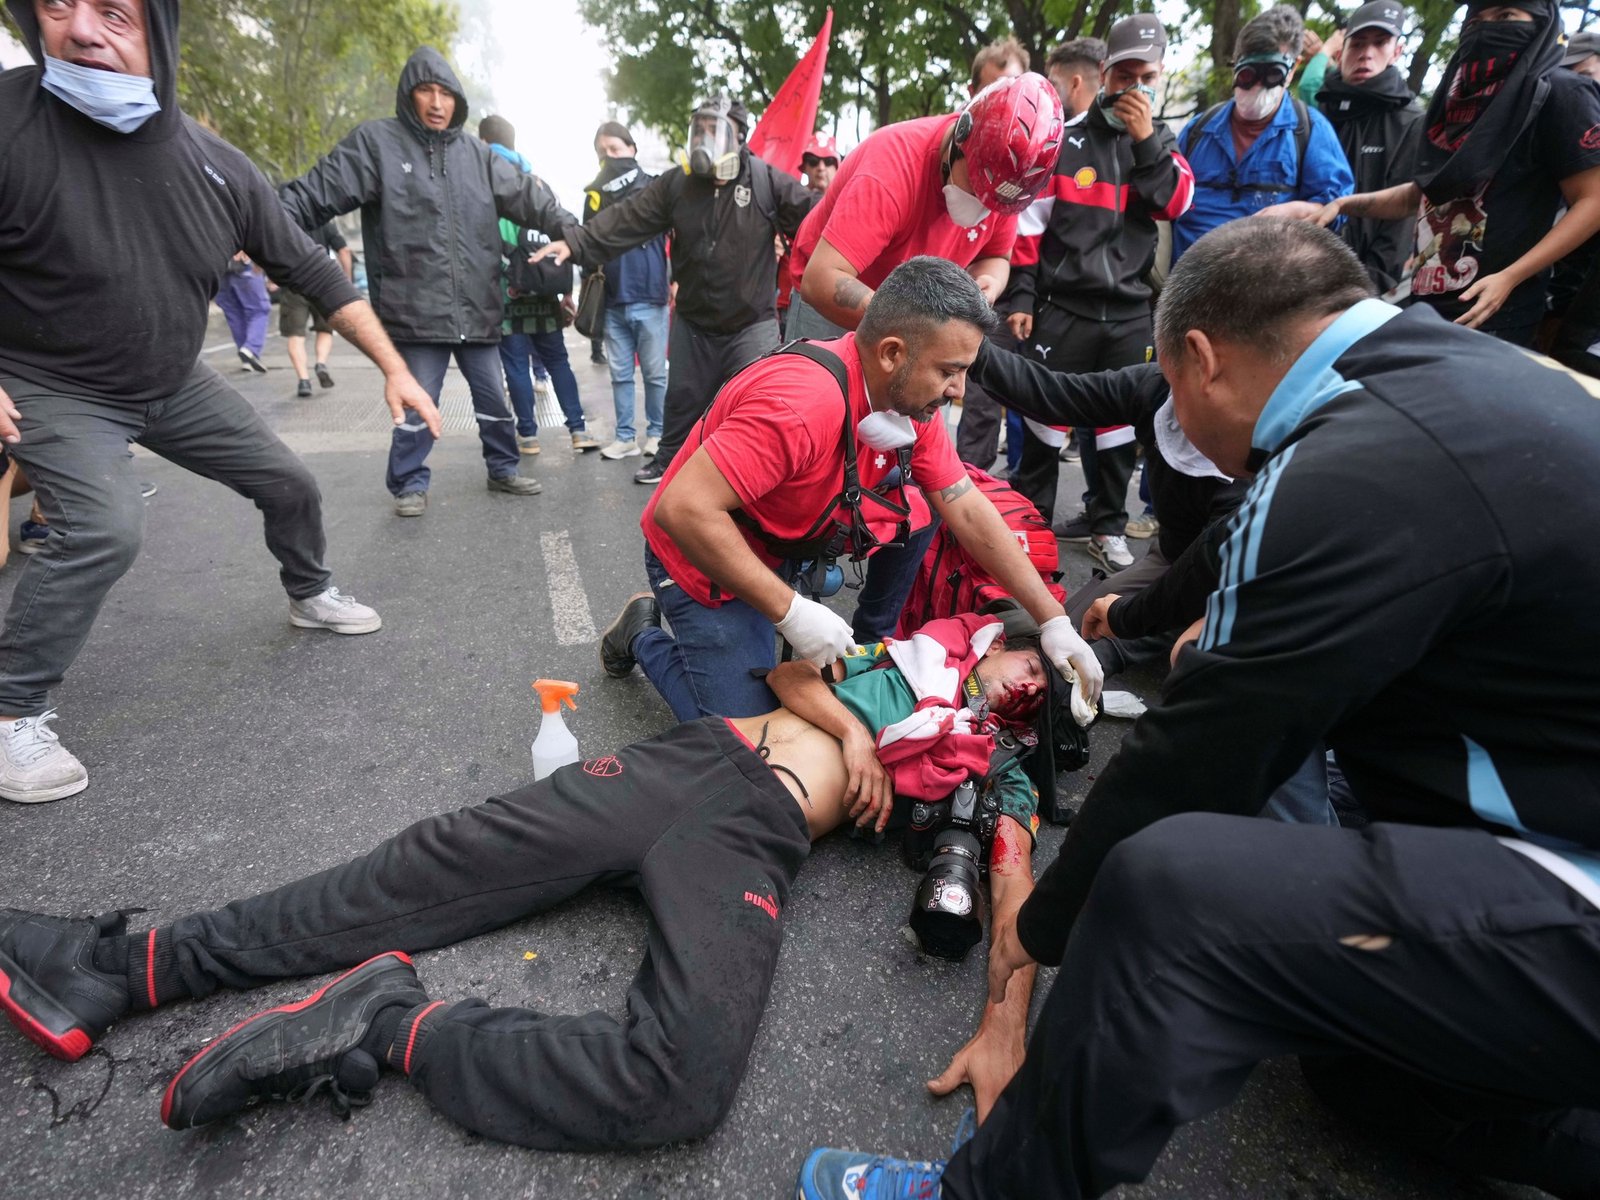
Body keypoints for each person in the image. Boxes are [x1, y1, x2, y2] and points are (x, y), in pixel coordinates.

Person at [800, 218, 1600, 1200]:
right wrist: (1117, 614)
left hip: (1573, 875)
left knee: (1171, 891)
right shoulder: (1444, 381)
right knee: (1359, 1072)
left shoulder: (1354, 463)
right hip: (1547, 802)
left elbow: (1205, 748)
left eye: (1172, 394)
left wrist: (1044, 922)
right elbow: (1237, 551)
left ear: (1199, 358)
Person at [0, 614, 1068, 1150]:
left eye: (1046, 696)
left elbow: (1012, 885)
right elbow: (788, 672)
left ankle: (386, 1024)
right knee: (422, 867)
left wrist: (1006, 1016)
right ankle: (121, 966)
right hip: (698, 763)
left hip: (753, 841)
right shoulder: (903, 659)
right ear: (994, 648)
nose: (1032, 692)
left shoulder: (997, 766)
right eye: (1031, 671)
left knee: (680, 1087)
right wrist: (860, 734)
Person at [0, 0, 441, 805]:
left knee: (290, 483)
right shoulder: (8, 123)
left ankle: (309, 593)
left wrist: (394, 366)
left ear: (159, 29)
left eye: (112, 11)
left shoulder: (216, 164)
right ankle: (10, 709)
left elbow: (313, 270)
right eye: (59, 5)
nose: (84, 29)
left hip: (172, 380)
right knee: (104, 525)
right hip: (54, 383)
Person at [601, 256, 1103, 729]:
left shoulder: (906, 399)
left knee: (920, 509)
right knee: (744, 734)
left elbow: (966, 506)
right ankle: (641, 631)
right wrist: (791, 611)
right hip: (702, 555)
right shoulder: (802, 403)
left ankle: (853, 628)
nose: (959, 390)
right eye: (949, 371)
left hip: (785, 539)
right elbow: (682, 510)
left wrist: (1054, 621)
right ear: (891, 354)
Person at [279, 47, 573, 516]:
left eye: (446, 93)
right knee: (415, 407)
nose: (437, 103)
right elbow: (313, 194)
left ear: (457, 100)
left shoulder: (479, 156)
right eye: (425, 91)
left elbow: (531, 199)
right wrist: (258, 222)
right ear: (408, 95)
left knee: (494, 400)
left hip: (477, 308)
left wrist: (575, 233)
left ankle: (503, 468)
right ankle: (409, 483)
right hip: (413, 312)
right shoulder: (376, 144)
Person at [531, 97, 815, 485]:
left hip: (752, 324)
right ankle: (668, 462)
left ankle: (752, 479)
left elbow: (821, 221)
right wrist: (576, 243)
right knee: (681, 401)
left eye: (714, 132)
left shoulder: (767, 181)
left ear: (739, 137)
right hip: (695, 323)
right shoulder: (678, 184)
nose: (703, 140)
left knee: (754, 406)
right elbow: (628, 218)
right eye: (699, 130)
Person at [1006, 16, 1194, 574]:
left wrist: (1146, 142)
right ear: (1104, 73)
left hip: (1132, 313)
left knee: (1117, 429)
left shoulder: (1162, 143)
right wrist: (1019, 299)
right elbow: (1029, 229)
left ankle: (1107, 524)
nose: (1133, 88)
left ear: (1160, 80)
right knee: (1042, 418)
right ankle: (1031, 524)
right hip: (1063, 308)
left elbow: (1176, 205)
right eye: (1123, 74)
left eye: (1146, 76)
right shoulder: (1065, 141)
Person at [1314, 0, 1600, 347]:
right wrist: (1345, 204)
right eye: (1476, 20)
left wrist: (1510, 277)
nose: (1487, 28)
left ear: (1541, 23)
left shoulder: (1560, 92)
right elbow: (1428, 194)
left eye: (1506, 16)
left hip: (1494, 319)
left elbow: (1593, 199)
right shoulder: (1458, 100)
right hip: (1425, 309)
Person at [785, 72, 1064, 342]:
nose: (983, 206)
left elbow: (998, 256)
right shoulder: (890, 170)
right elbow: (820, 280)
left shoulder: (1006, 185)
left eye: (995, 204)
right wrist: (914, 324)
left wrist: (989, 281)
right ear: (961, 137)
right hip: (830, 303)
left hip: (910, 317)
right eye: (976, 188)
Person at [1171, 5, 1353, 263]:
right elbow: (1165, 198)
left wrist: (1299, 211)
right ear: (1235, 66)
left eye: (1272, 74)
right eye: (1247, 74)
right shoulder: (1199, 130)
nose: (1257, 86)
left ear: (1291, 71)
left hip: (1267, 285)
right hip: (1189, 282)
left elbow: (1337, 207)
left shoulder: (1310, 131)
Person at [478, 114, 599, 457]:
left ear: (484, 144)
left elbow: (486, 246)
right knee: (557, 360)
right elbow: (560, 236)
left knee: (516, 364)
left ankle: (528, 436)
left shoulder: (488, 183)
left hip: (507, 294)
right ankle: (577, 430)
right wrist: (567, 294)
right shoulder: (538, 184)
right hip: (546, 293)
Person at [1306, 1, 1424, 291]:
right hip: (1302, 272)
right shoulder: (1316, 112)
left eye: (1380, 43)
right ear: (1341, 51)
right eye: (1357, 44)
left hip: (1363, 285)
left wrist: (1369, 288)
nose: (1366, 54)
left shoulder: (1411, 121)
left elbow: (1402, 218)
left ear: (1397, 51)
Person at [952, 39, 1029, 473]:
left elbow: (1003, 251)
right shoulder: (944, 151)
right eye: (996, 90)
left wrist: (1001, 286)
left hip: (992, 301)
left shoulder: (1036, 154)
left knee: (983, 397)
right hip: (935, 296)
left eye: (1016, 87)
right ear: (972, 94)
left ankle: (968, 483)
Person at [584, 120, 670, 461]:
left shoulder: (655, 188)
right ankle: (624, 437)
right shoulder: (594, 195)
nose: (610, 157)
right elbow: (587, 244)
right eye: (603, 152)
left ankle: (657, 433)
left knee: (654, 374)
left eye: (616, 149)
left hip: (650, 296)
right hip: (612, 299)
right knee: (620, 375)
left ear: (632, 149)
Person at [276, 222, 353, 397]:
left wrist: (271, 276)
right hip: (322, 282)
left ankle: (303, 380)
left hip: (293, 283)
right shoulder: (326, 223)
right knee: (325, 329)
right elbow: (344, 251)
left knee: (296, 336)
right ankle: (321, 363)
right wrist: (347, 279)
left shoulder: (288, 219)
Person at [215, 252, 272, 374]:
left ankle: (246, 357)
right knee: (259, 310)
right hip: (244, 265)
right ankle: (251, 349)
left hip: (220, 269)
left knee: (234, 314)